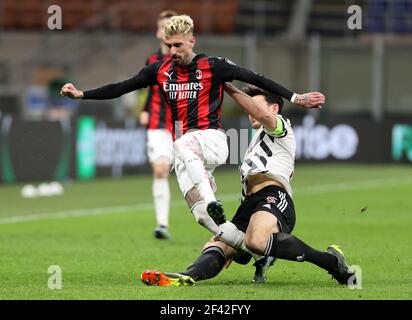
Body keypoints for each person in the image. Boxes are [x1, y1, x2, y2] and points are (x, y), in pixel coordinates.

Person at [60, 15, 325, 246]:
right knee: (203, 217)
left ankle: (212, 199)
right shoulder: (160, 70)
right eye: (168, 45)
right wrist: (82, 94)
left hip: (212, 140)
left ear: (191, 41)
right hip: (186, 152)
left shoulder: (214, 65)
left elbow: (255, 78)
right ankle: (251, 250)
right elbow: (121, 87)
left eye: (177, 45)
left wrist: (295, 97)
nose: (173, 51)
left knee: (183, 144)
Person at [140, 84, 356, 287]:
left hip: (273, 196)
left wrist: (227, 86)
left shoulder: (281, 126)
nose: (251, 112)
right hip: (249, 205)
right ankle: (187, 276)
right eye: (250, 108)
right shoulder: (253, 144)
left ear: (274, 108)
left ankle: (331, 261)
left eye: (256, 106)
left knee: (255, 241)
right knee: (216, 246)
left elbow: (264, 117)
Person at [139, 10, 177, 240]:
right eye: (162, 26)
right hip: (157, 122)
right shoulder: (151, 61)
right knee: (161, 170)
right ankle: (162, 224)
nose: (165, 31)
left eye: (169, 27)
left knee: (191, 173)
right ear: (157, 31)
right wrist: (145, 110)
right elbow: (149, 88)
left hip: (183, 123)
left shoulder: (184, 59)